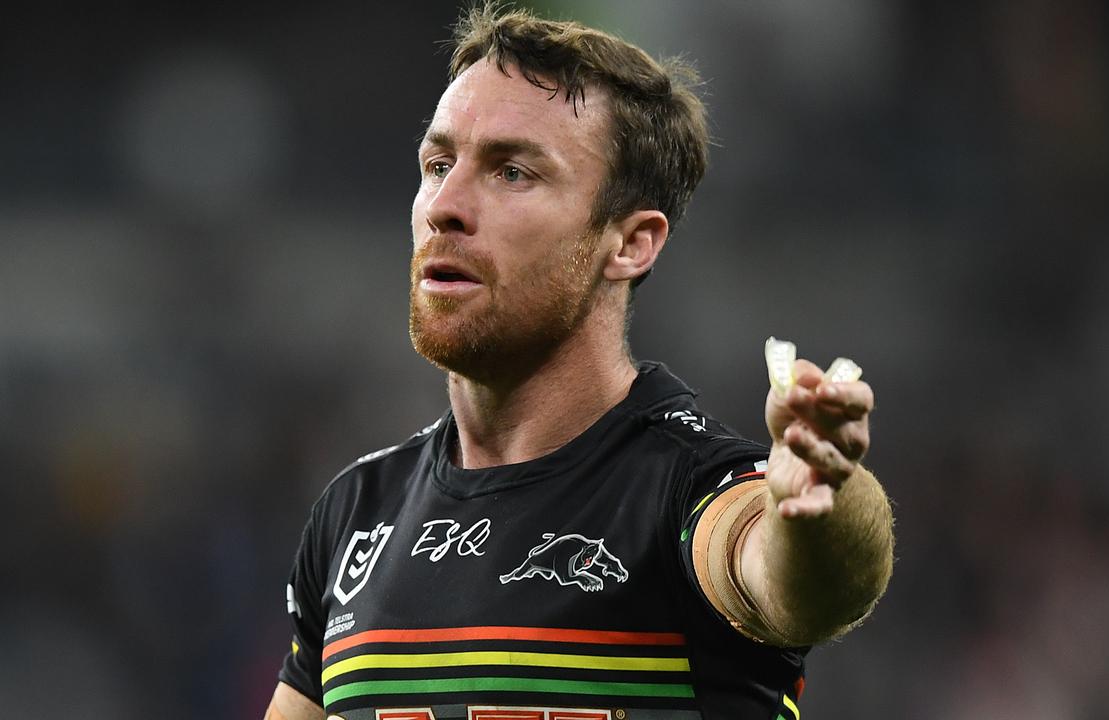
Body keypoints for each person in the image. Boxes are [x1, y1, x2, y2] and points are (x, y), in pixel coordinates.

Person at [265, 4, 894, 719]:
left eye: (511, 172)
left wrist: (820, 504)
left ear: (629, 244)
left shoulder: (686, 490)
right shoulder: (355, 515)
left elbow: (794, 579)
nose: (445, 205)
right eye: (438, 164)